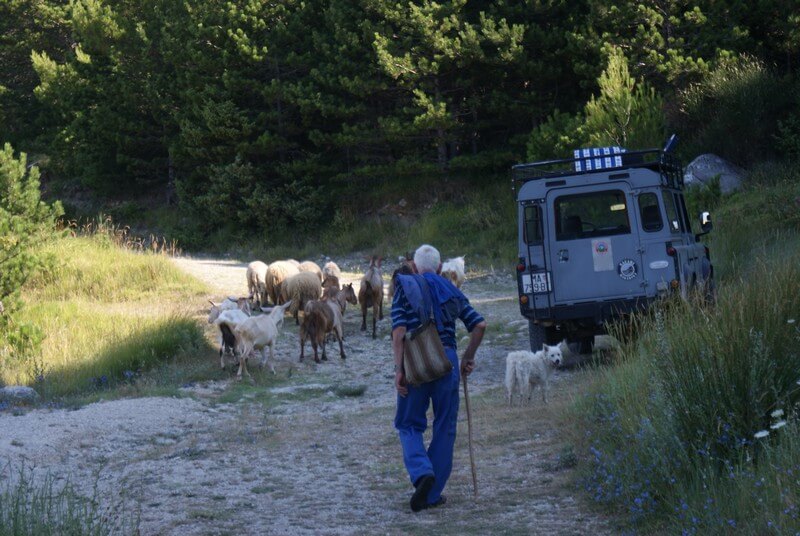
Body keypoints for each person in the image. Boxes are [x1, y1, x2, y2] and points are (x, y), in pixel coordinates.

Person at [391, 244, 486, 512]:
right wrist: (467, 356)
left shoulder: (404, 287)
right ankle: (431, 494)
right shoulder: (451, 290)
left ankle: (422, 473)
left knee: (408, 424)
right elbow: (479, 325)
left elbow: (399, 334)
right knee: (445, 424)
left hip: (416, 361)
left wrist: (399, 370)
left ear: (414, 267)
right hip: (447, 360)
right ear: (441, 267)